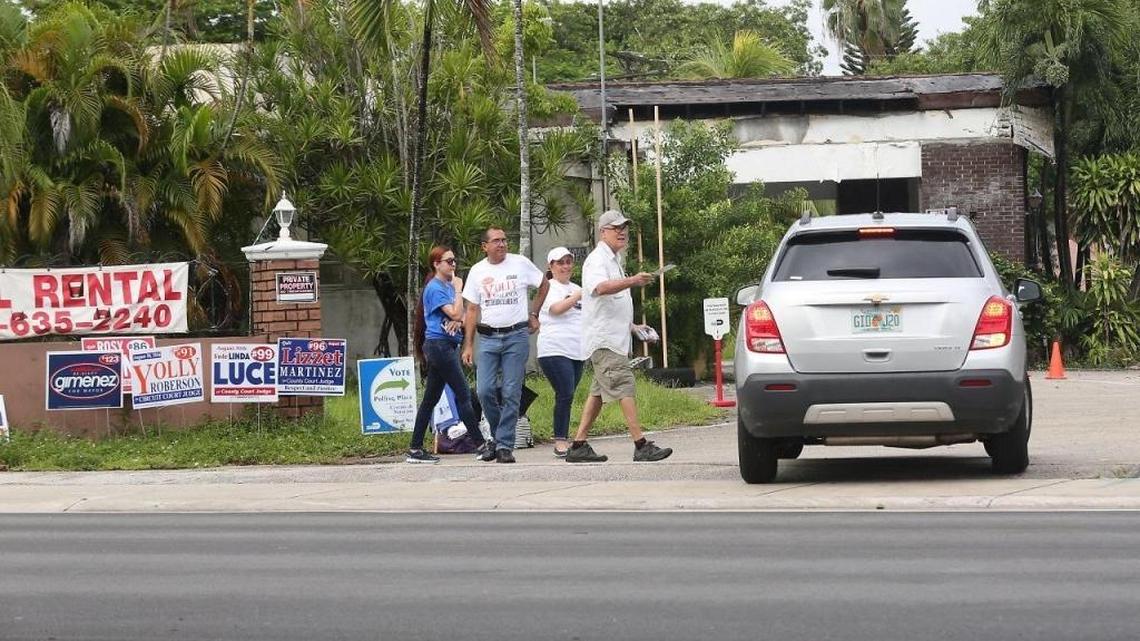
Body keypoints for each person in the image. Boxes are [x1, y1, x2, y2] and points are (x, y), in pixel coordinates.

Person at [566, 210, 673, 463]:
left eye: (624, 226)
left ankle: (578, 445)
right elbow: (600, 288)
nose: (621, 231)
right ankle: (641, 444)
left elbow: (612, 303)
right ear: (603, 232)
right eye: (615, 228)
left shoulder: (614, 260)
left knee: (598, 394)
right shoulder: (597, 260)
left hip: (614, 337)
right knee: (625, 386)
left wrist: (633, 326)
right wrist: (633, 280)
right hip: (605, 341)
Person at [461, 227, 549, 464]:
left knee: (511, 392)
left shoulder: (519, 263)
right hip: (488, 338)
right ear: (484, 246)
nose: (501, 244)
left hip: (516, 336)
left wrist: (534, 313)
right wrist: (468, 345)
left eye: (504, 240)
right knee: (484, 390)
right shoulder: (478, 271)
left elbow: (544, 284)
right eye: (496, 241)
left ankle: (504, 445)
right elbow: (471, 309)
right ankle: (499, 437)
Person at [407, 246, 491, 464]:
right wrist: (458, 289)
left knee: (430, 399)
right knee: (463, 394)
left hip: (445, 346)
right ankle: (481, 445)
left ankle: (415, 449)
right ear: (436, 264)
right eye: (449, 261)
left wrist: (458, 318)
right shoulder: (436, 287)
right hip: (440, 346)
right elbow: (455, 311)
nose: (453, 265)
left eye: (454, 261)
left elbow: (461, 315)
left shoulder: (444, 287)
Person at [537, 247, 585, 458]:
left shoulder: (577, 288)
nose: (565, 266)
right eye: (560, 263)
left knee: (568, 395)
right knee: (565, 393)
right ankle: (560, 440)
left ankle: (566, 436)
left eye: (568, 262)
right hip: (554, 348)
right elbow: (555, 309)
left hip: (577, 350)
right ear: (551, 266)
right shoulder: (548, 287)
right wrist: (578, 295)